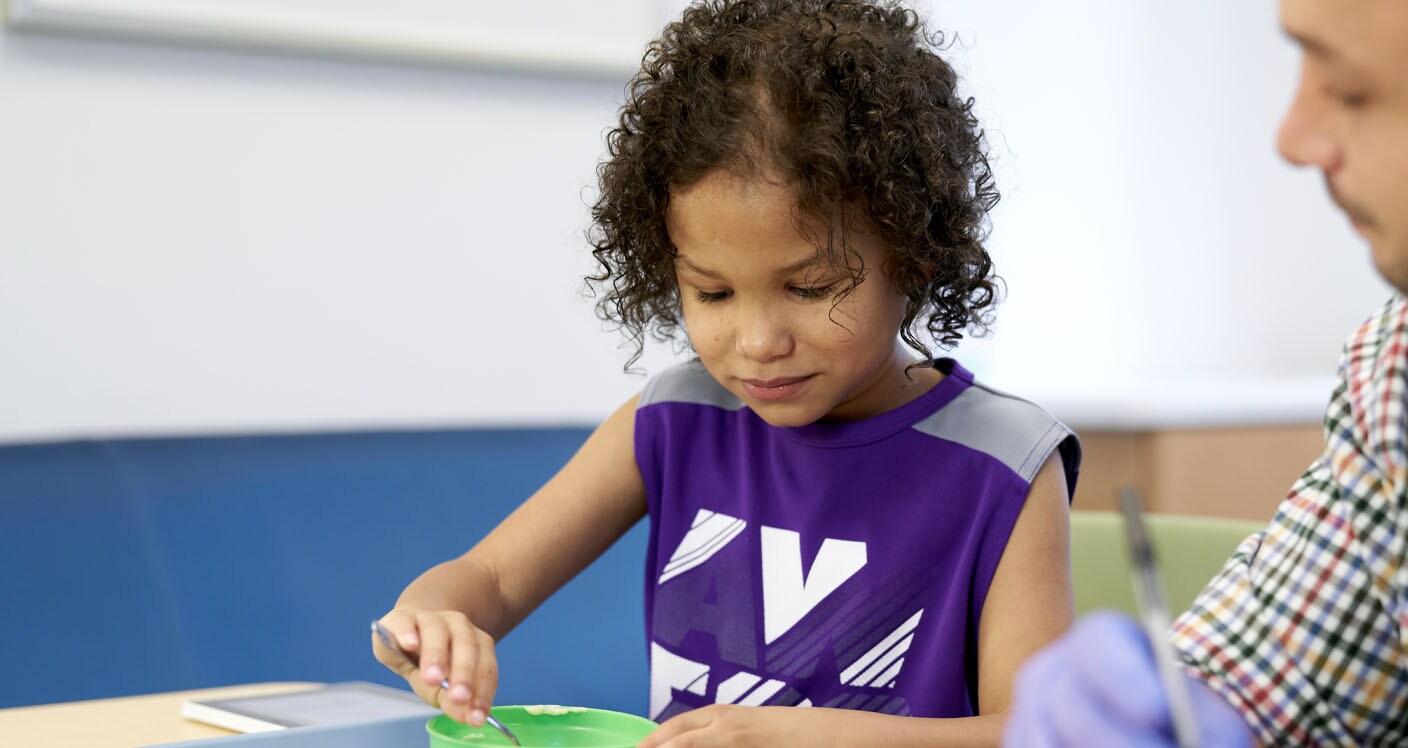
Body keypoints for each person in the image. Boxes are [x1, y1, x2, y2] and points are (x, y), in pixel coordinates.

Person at [374, 1, 1081, 745]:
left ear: (915, 256)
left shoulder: (1003, 461)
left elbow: (1039, 733)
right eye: (712, 292)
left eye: (809, 289)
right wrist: (432, 621)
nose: (757, 340)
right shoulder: (676, 417)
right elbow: (489, 580)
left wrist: (807, 738)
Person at [1004, 0, 1408, 746]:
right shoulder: (1396, 373)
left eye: (1352, 91)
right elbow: (1273, 680)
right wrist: (1175, 709)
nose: (1292, 138)